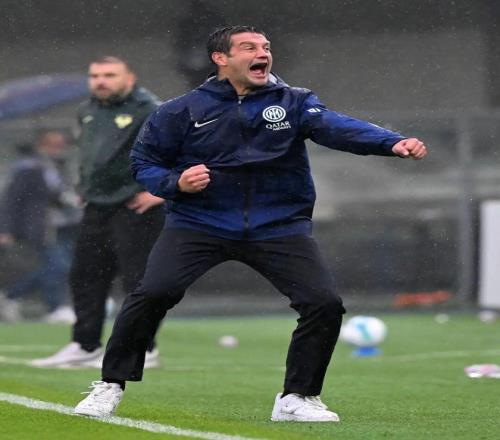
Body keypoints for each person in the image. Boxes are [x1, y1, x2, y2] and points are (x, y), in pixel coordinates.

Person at [74, 26, 427, 421]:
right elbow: (144, 163)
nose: (263, 53)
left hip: (278, 225)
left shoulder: (294, 102)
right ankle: (110, 385)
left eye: (265, 47)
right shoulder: (180, 110)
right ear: (221, 59)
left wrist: (390, 142)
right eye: (249, 47)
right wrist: (175, 183)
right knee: (152, 293)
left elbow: (336, 127)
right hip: (200, 222)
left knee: (324, 304)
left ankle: (297, 398)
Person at [30, 56, 165, 369]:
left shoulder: (150, 109)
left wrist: (160, 191)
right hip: (96, 206)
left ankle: (142, 348)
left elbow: (185, 150)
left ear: (129, 79)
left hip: (135, 206)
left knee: (137, 280)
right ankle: (85, 344)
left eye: (109, 75)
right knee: (86, 275)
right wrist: (85, 186)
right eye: (95, 76)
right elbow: (90, 154)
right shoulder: (87, 110)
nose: (101, 81)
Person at [0, 131, 79, 324]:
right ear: (41, 146)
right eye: (53, 145)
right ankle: (54, 307)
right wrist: (6, 230)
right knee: (58, 265)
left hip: (62, 226)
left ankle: (11, 295)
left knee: (59, 267)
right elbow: (13, 199)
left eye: (60, 145)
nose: (57, 149)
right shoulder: (29, 168)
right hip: (42, 227)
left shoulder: (54, 166)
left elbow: (56, 195)